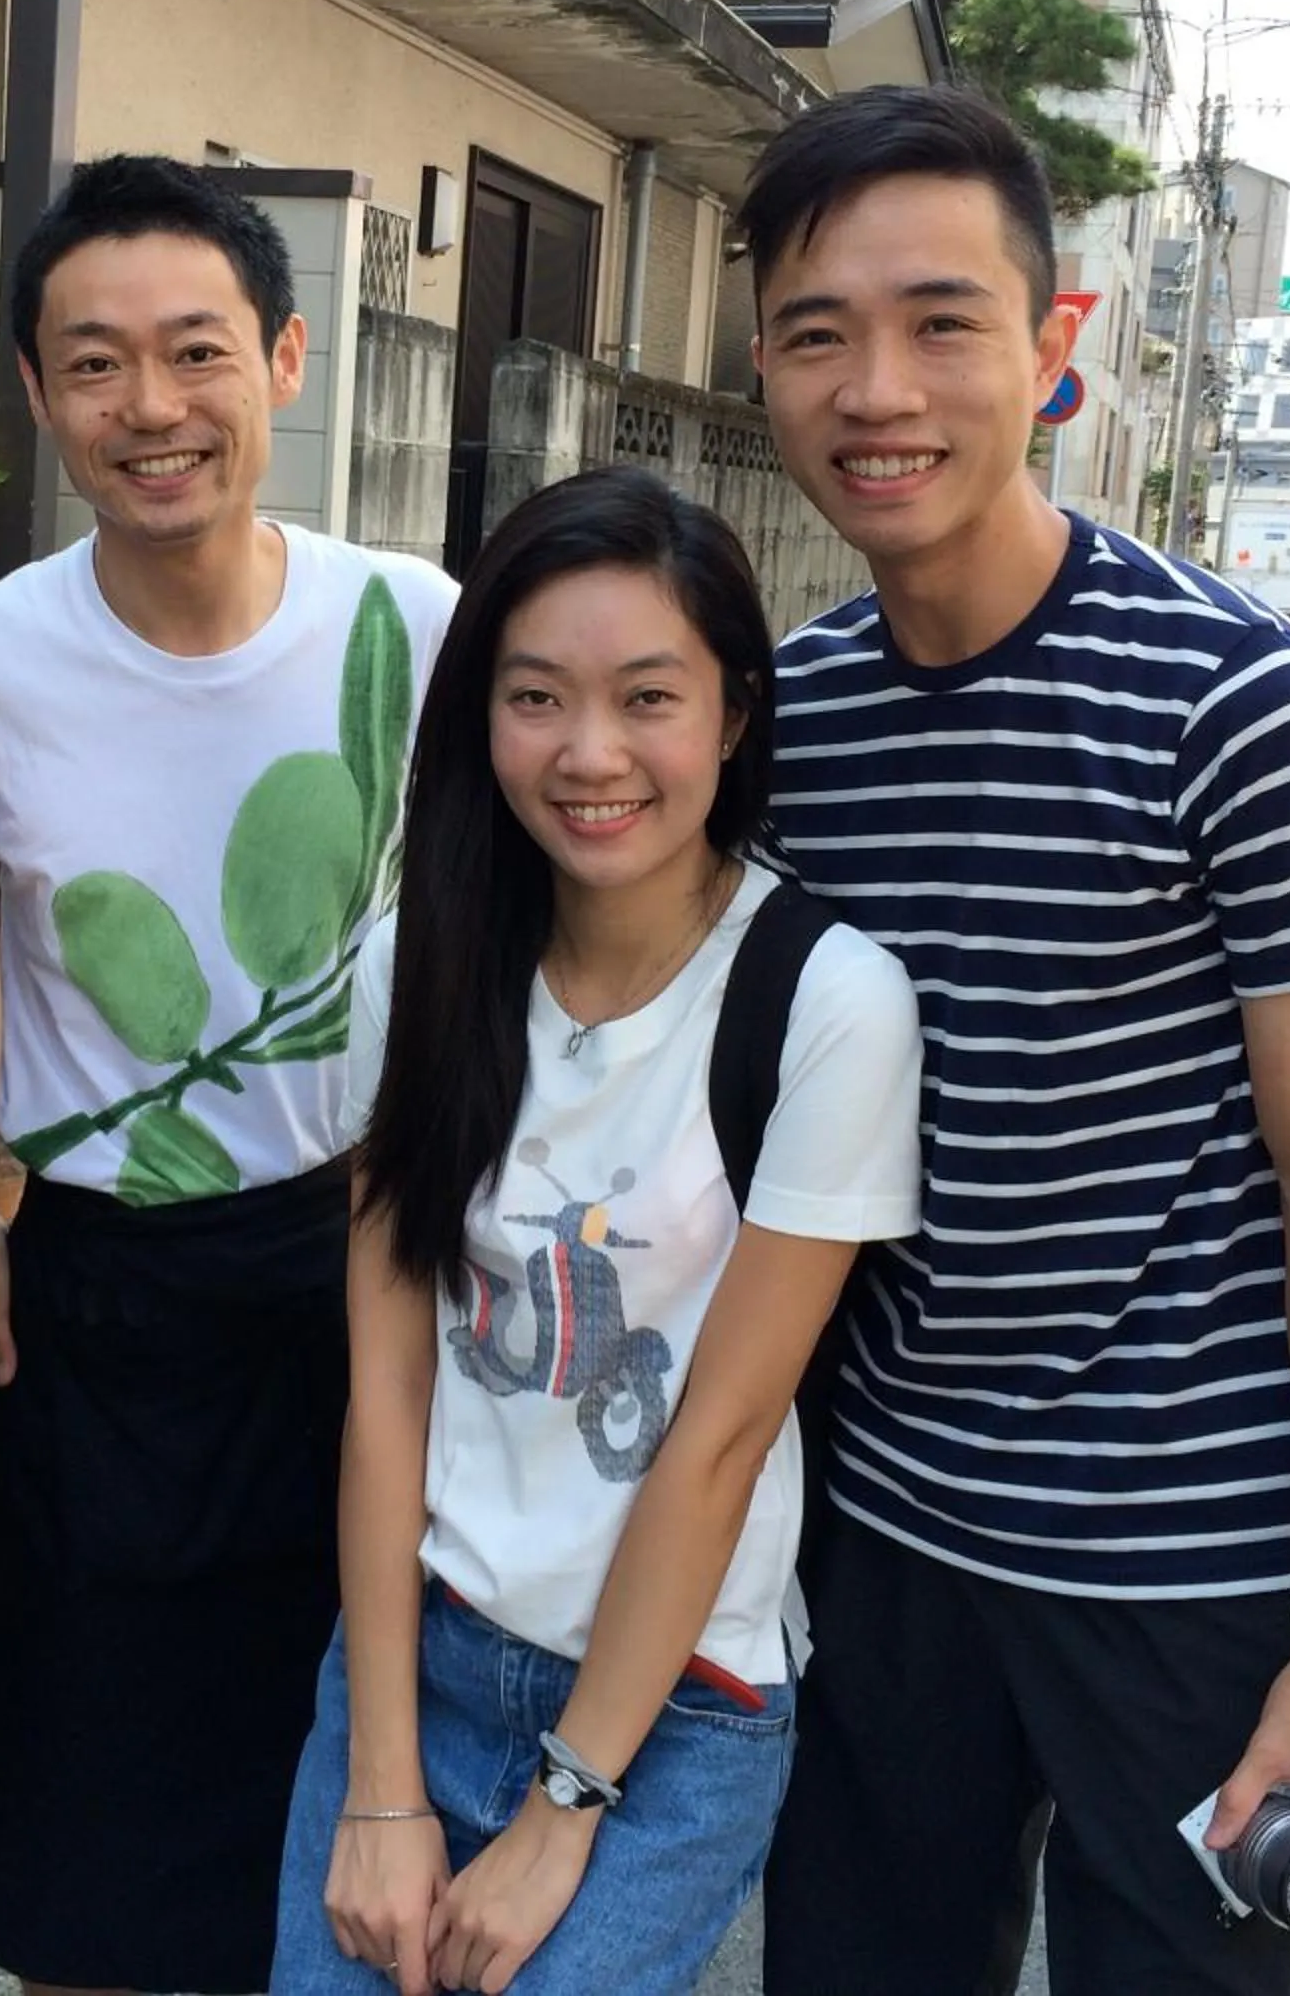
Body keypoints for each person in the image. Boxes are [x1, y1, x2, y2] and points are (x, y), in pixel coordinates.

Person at [745, 84, 1290, 1996]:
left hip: (1191, 1585)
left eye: (940, 322)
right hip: (882, 1552)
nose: (878, 387)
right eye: (818, 333)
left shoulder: (1247, 701)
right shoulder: (781, 721)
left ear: (1057, 348)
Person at [0, 155, 457, 1996]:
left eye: (196, 352)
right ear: (44, 398)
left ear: (285, 360)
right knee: (95, 1820)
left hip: (366, 1270)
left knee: (365, 1784)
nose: (154, 409)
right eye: (99, 365)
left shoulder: (421, 630)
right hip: (97, 1300)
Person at [272, 468, 922, 1996]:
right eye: (537, 697)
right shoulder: (418, 967)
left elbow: (719, 1437)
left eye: (648, 697)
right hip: (415, 1655)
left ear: (735, 716)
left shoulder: (825, 1002)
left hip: (673, 1708)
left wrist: (568, 1806)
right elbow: (389, 1389)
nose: (591, 754)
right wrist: (379, 1777)